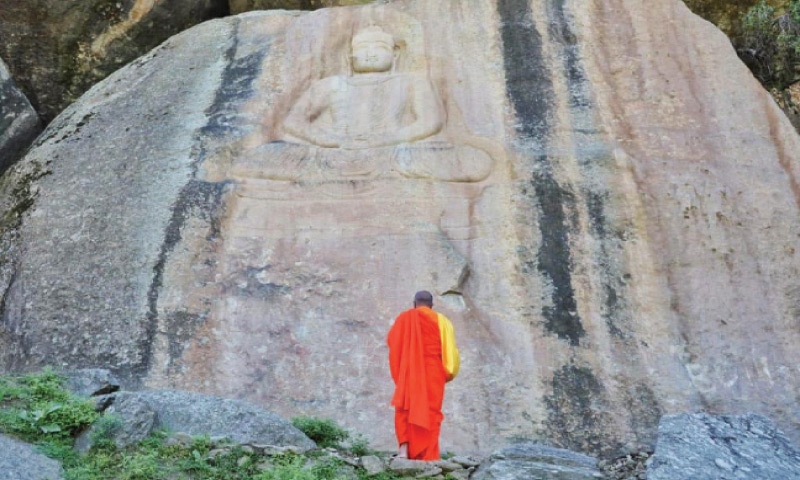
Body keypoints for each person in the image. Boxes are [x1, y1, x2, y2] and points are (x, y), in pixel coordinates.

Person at [282, 26, 444, 150]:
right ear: (349, 56)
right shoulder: (329, 84)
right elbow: (293, 121)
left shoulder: (412, 82)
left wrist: (386, 140)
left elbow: (429, 122)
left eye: (379, 48)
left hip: (390, 149)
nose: (370, 53)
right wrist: (329, 140)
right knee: (271, 155)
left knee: (455, 159)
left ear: (395, 54)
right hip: (335, 151)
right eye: (362, 48)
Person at [387, 290, 459, 460]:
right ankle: (429, 455)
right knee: (432, 411)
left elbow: (393, 343)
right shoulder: (442, 321)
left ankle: (403, 451)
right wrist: (448, 373)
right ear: (432, 306)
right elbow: (451, 352)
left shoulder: (404, 319)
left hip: (410, 371)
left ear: (414, 303)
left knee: (405, 407)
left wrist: (402, 369)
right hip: (434, 371)